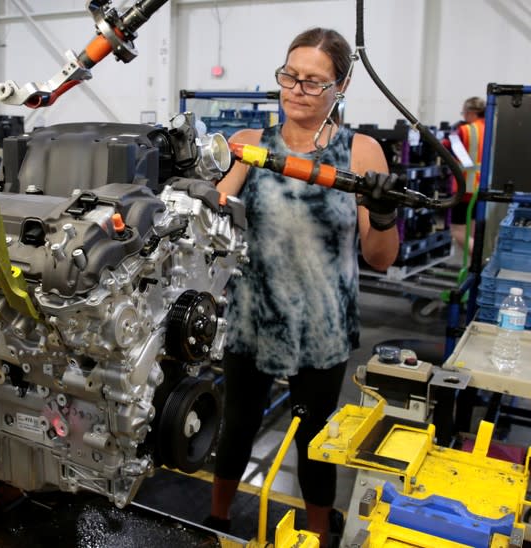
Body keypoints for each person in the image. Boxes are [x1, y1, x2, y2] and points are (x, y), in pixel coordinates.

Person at [205, 28, 399, 548]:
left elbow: (381, 256)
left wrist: (382, 213)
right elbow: (211, 224)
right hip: (252, 321)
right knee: (236, 427)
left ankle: (318, 536)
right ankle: (217, 524)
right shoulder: (250, 146)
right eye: (290, 76)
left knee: (316, 441)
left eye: (313, 82)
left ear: (342, 85)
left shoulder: (360, 152)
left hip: (322, 328)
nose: (296, 89)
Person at [448, 96, 486, 257]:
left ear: (470, 112)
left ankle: (480, 259)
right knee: (475, 230)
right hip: (484, 188)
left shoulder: (466, 130)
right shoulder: (491, 127)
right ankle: (474, 268)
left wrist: (451, 135)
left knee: (458, 231)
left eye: (464, 113)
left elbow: (445, 147)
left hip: (466, 188)